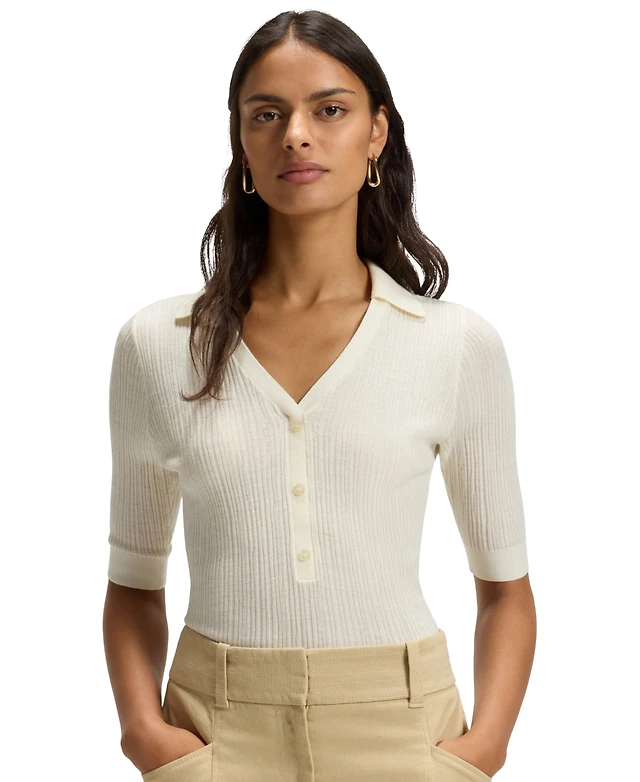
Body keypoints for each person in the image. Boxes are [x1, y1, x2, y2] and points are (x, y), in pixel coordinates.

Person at [103, 10, 536, 782]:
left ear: (377, 133)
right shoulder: (157, 344)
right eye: (267, 114)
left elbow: (506, 589)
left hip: (405, 730)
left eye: (329, 109)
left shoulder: (455, 345)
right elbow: (134, 583)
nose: (296, 135)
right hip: (213, 731)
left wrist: (485, 749)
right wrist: (143, 731)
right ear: (241, 141)